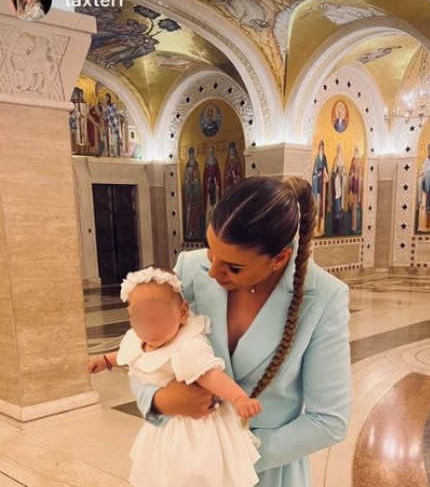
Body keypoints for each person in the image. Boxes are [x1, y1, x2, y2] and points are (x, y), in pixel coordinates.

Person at [94, 176, 351, 487]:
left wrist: (231, 458)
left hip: (266, 472)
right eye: (210, 250)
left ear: (279, 259)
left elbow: (329, 421)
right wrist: (160, 401)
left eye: (233, 267)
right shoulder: (190, 269)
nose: (214, 271)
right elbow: (146, 353)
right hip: (183, 466)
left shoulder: (324, 296)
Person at [90, 266, 261, 487]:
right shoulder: (138, 340)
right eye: (141, 316)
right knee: (162, 470)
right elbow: (130, 355)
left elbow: (211, 376)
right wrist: (106, 361)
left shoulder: (187, 346)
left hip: (196, 428)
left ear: (182, 312)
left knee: (196, 473)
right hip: (165, 425)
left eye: (158, 314)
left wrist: (239, 398)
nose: (150, 323)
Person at [183, 146, 204, 240]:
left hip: (195, 194)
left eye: (192, 154)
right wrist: (188, 182)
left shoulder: (196, 165)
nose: (191, 155)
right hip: (189, 195)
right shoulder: (187, 166)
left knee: (196, 213)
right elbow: (186, 179)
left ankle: (197, 233)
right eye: (190, 154)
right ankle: (189, 233)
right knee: (189, 212)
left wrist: (196, 182)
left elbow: (198, 179)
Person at [311, 140, 329, 236]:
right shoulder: (317, 158)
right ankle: (315, 229)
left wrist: (326, 176)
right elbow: (314, 173)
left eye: (322, 147)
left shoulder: (324, 157)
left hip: (323, 187)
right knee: (317, 207)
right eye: (320, 147)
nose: (321, 148)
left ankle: (321, 229)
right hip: (317, 186)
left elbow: (326, 170)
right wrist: (317, 175)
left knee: (322, 207)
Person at [203, 146, 222, 229]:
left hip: (215, 187)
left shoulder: (215, 162)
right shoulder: (207, 163)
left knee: (215, 205)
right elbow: (205, 177)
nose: (211, 153)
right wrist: (207, 180)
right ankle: (208, 225)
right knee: (209, 207)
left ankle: (216, 225)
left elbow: (218, 176)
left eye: (212, 152)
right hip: (209, 190)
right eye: (209, 152)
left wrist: (216, 182)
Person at [330, 143, 347, 235]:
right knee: (336, 209)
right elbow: (333, 174)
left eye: (340, 148)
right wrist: (336, 176)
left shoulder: (343, 160)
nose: (338, 150)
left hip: (342, 191)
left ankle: (341, 228)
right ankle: (336, 228)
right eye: (337, 148)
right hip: (337, 193)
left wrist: (342, 176)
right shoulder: (335, 160)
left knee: (341, 209)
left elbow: (345, 174)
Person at [348, 144, 364, 234]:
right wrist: (353, 175)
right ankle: (353, 228)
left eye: (357, 149)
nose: (356, 151)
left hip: (359, 189)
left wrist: (359, 176)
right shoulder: (353, 160)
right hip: (354, 187)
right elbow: (350, 173)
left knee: (358, 208)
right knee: (353, 208)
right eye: (355, 149)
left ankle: (358, 227)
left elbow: (362, 174)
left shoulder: (360, 160)